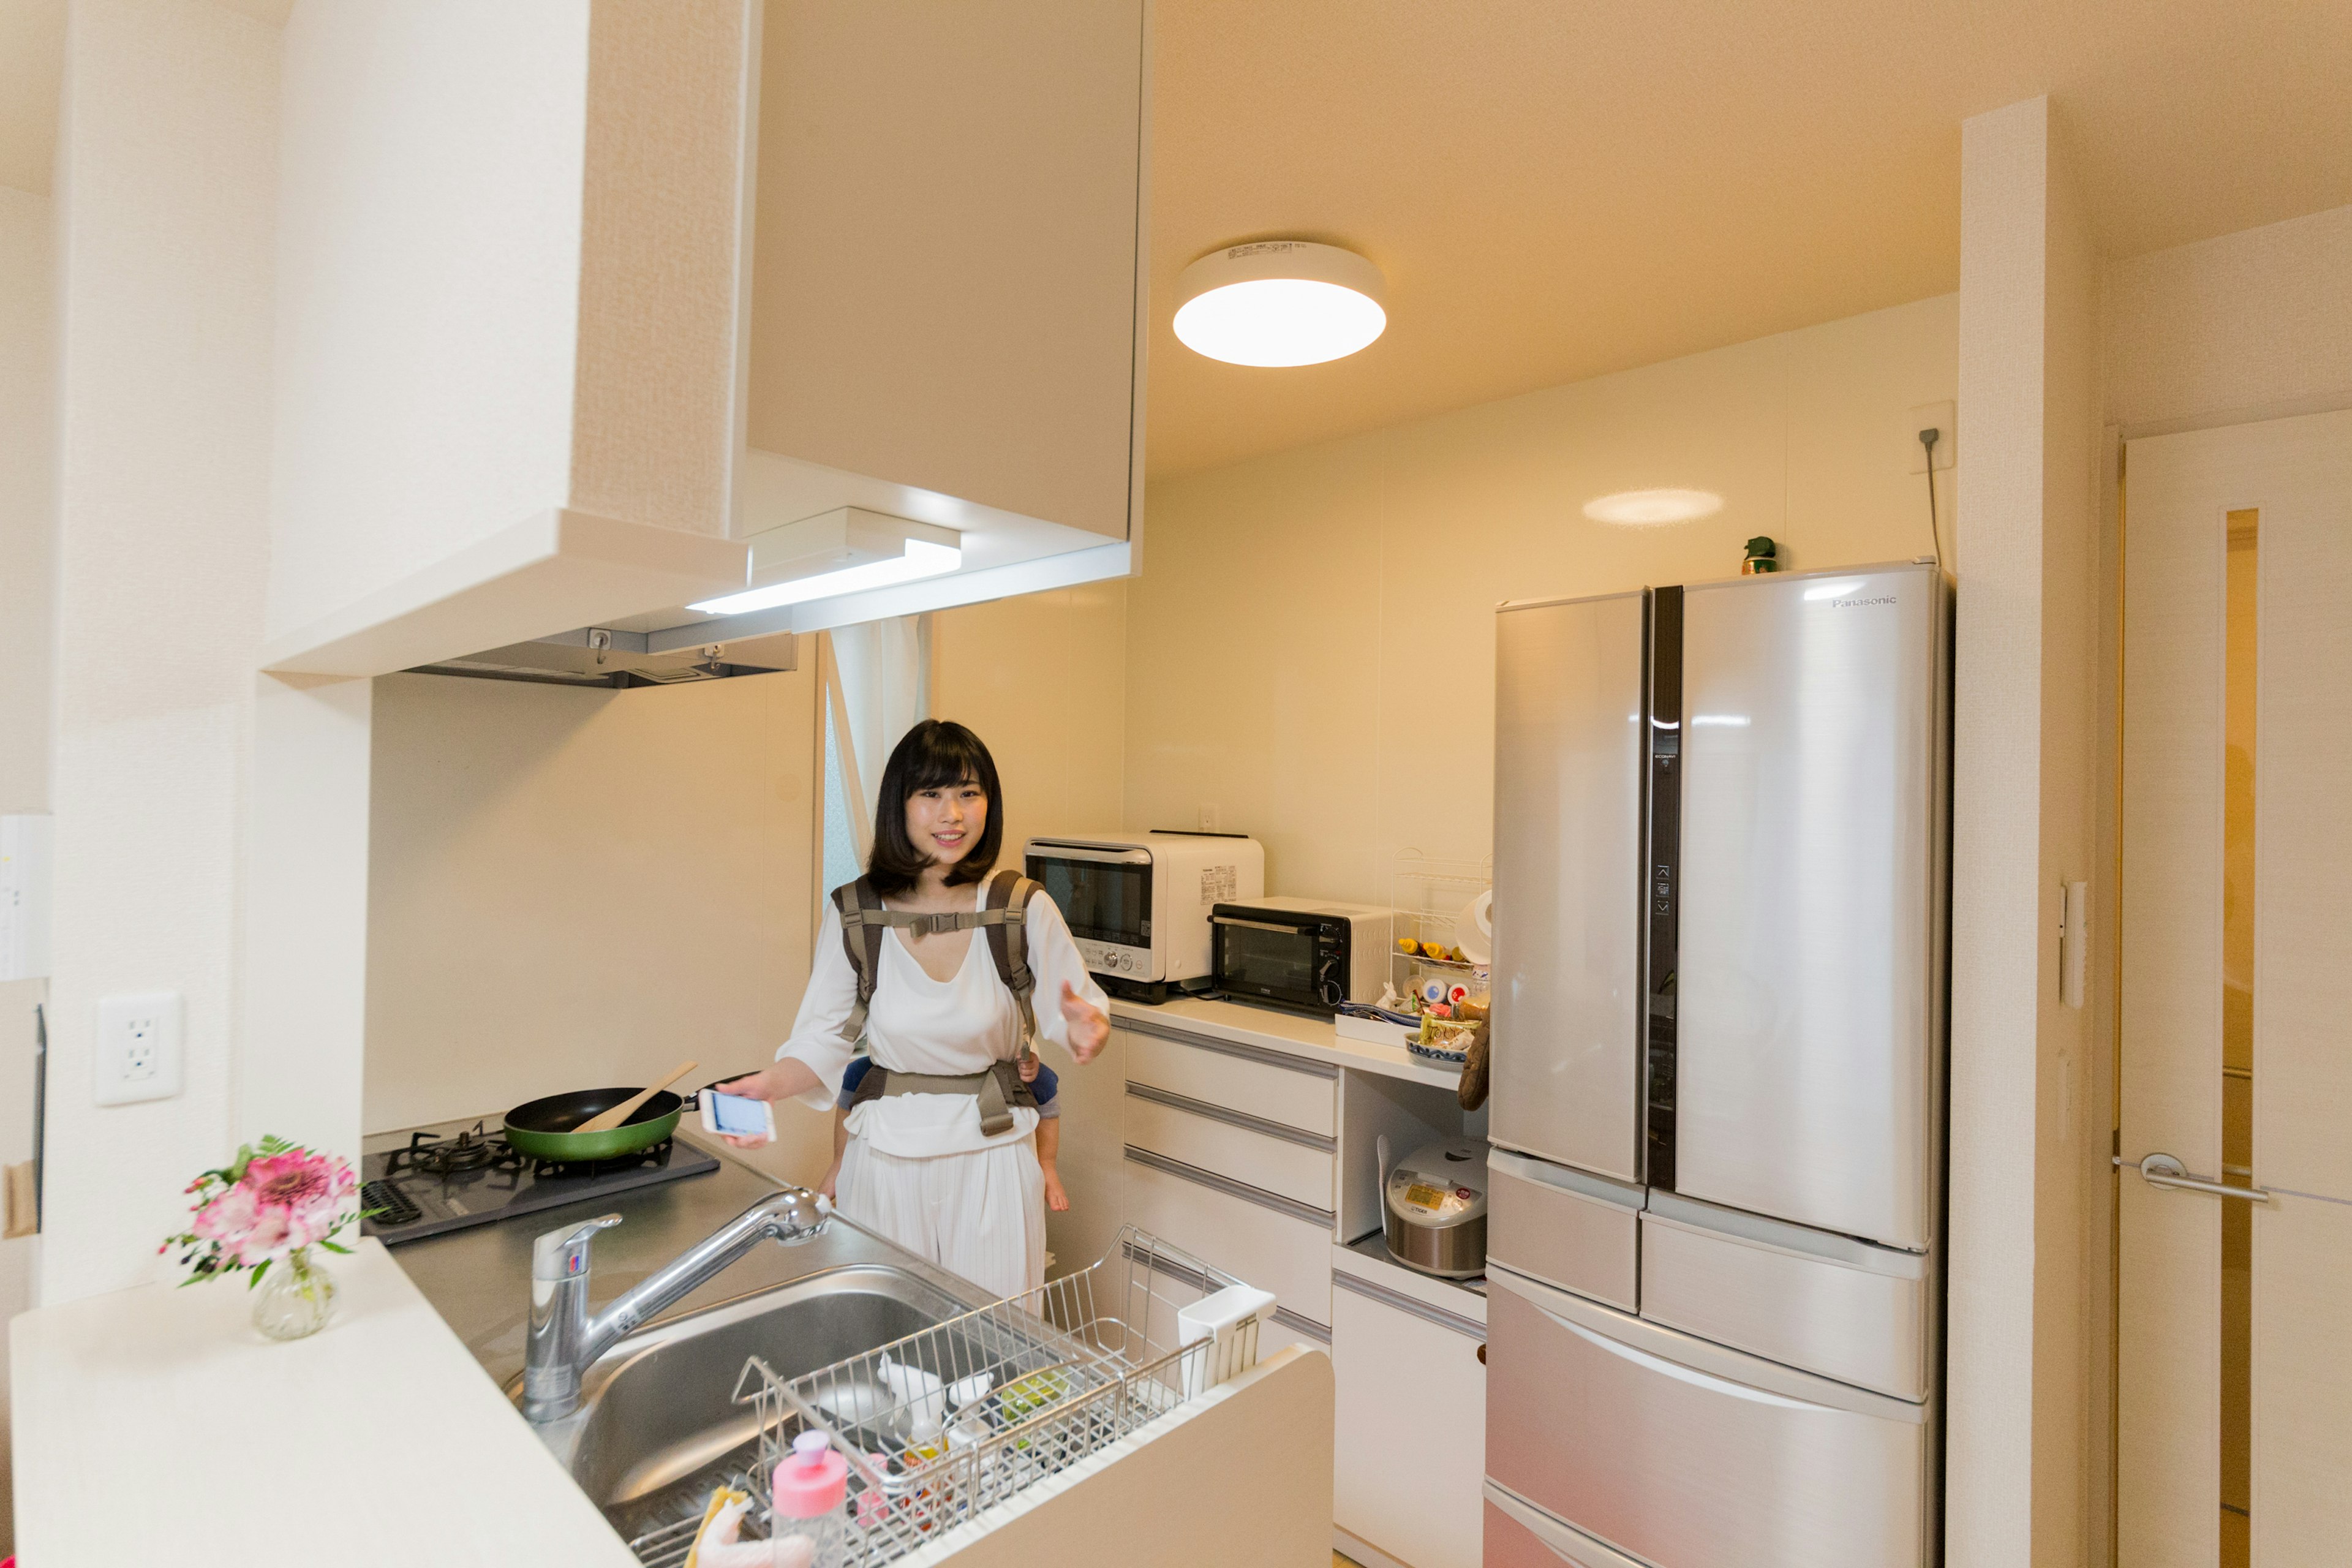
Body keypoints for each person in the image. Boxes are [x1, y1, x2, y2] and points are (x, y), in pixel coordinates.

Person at [713, 720, 1108, 1298]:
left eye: (969, 794)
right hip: (884, 1163)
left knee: (996, 1345)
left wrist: (1086, 1027)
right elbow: (821, 1041)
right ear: (898, 805)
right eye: (931, 795)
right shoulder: (856, 912)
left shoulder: (1020, 907)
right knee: (889, 1347)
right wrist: (768, 1085)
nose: (953, 814)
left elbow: (1074, 1012)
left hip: (993, 1158)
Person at [823, 1053, 1069, 1212]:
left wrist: (1047, 1163)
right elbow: (852, 1087)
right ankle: (838, 1162)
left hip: (989, 1063)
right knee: (856, 1074)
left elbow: (1045, 1086)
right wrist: (839, 1161)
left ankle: (1047, 1165)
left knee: (1041, 1079)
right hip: (905, 1061)